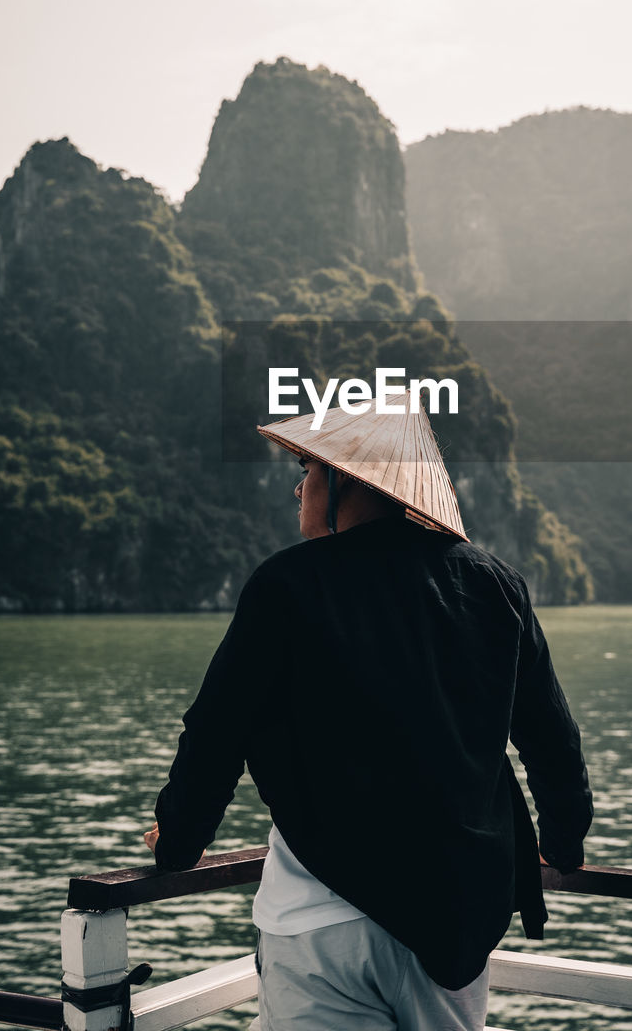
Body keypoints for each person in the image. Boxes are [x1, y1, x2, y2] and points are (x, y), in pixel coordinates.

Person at [145, 390, 592, 1031]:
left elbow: (216, 735)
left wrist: (179, 844)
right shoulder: (495, 585)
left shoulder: (288, 585)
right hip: (457, 920)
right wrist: (563, 845)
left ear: (345, 480)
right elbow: (552, 740)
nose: (297, 490)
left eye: (307, 472)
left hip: (323, 920)